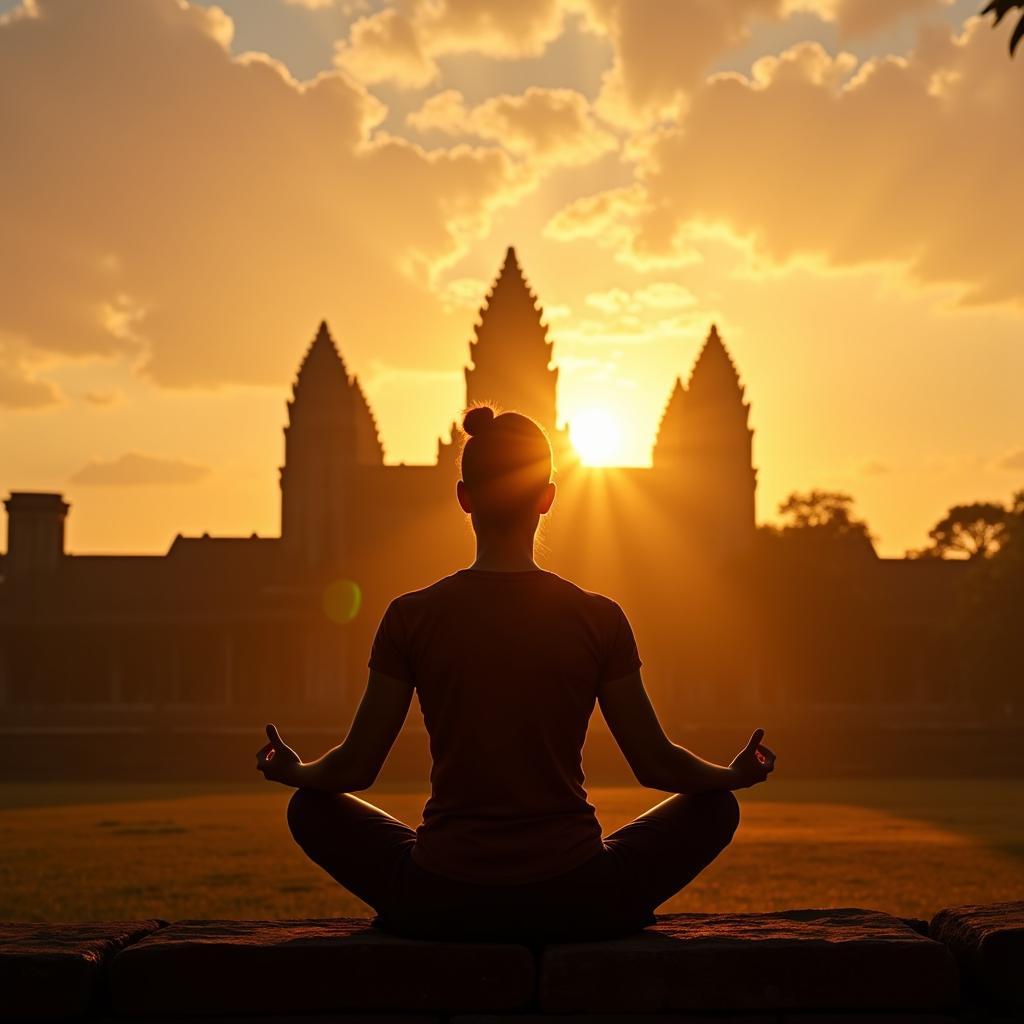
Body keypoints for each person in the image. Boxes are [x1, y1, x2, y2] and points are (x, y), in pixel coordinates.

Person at [257, 405, 775, 942]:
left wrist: (295, 772)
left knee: (310, 810)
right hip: (576, 890)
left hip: (442, 892)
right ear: (548, 497)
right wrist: (731, 776)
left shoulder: (411, 616)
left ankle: (428, 906)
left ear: (463, 497)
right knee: (715, 808)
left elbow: (354, 768)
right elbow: (656, 763)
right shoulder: (598, 618)